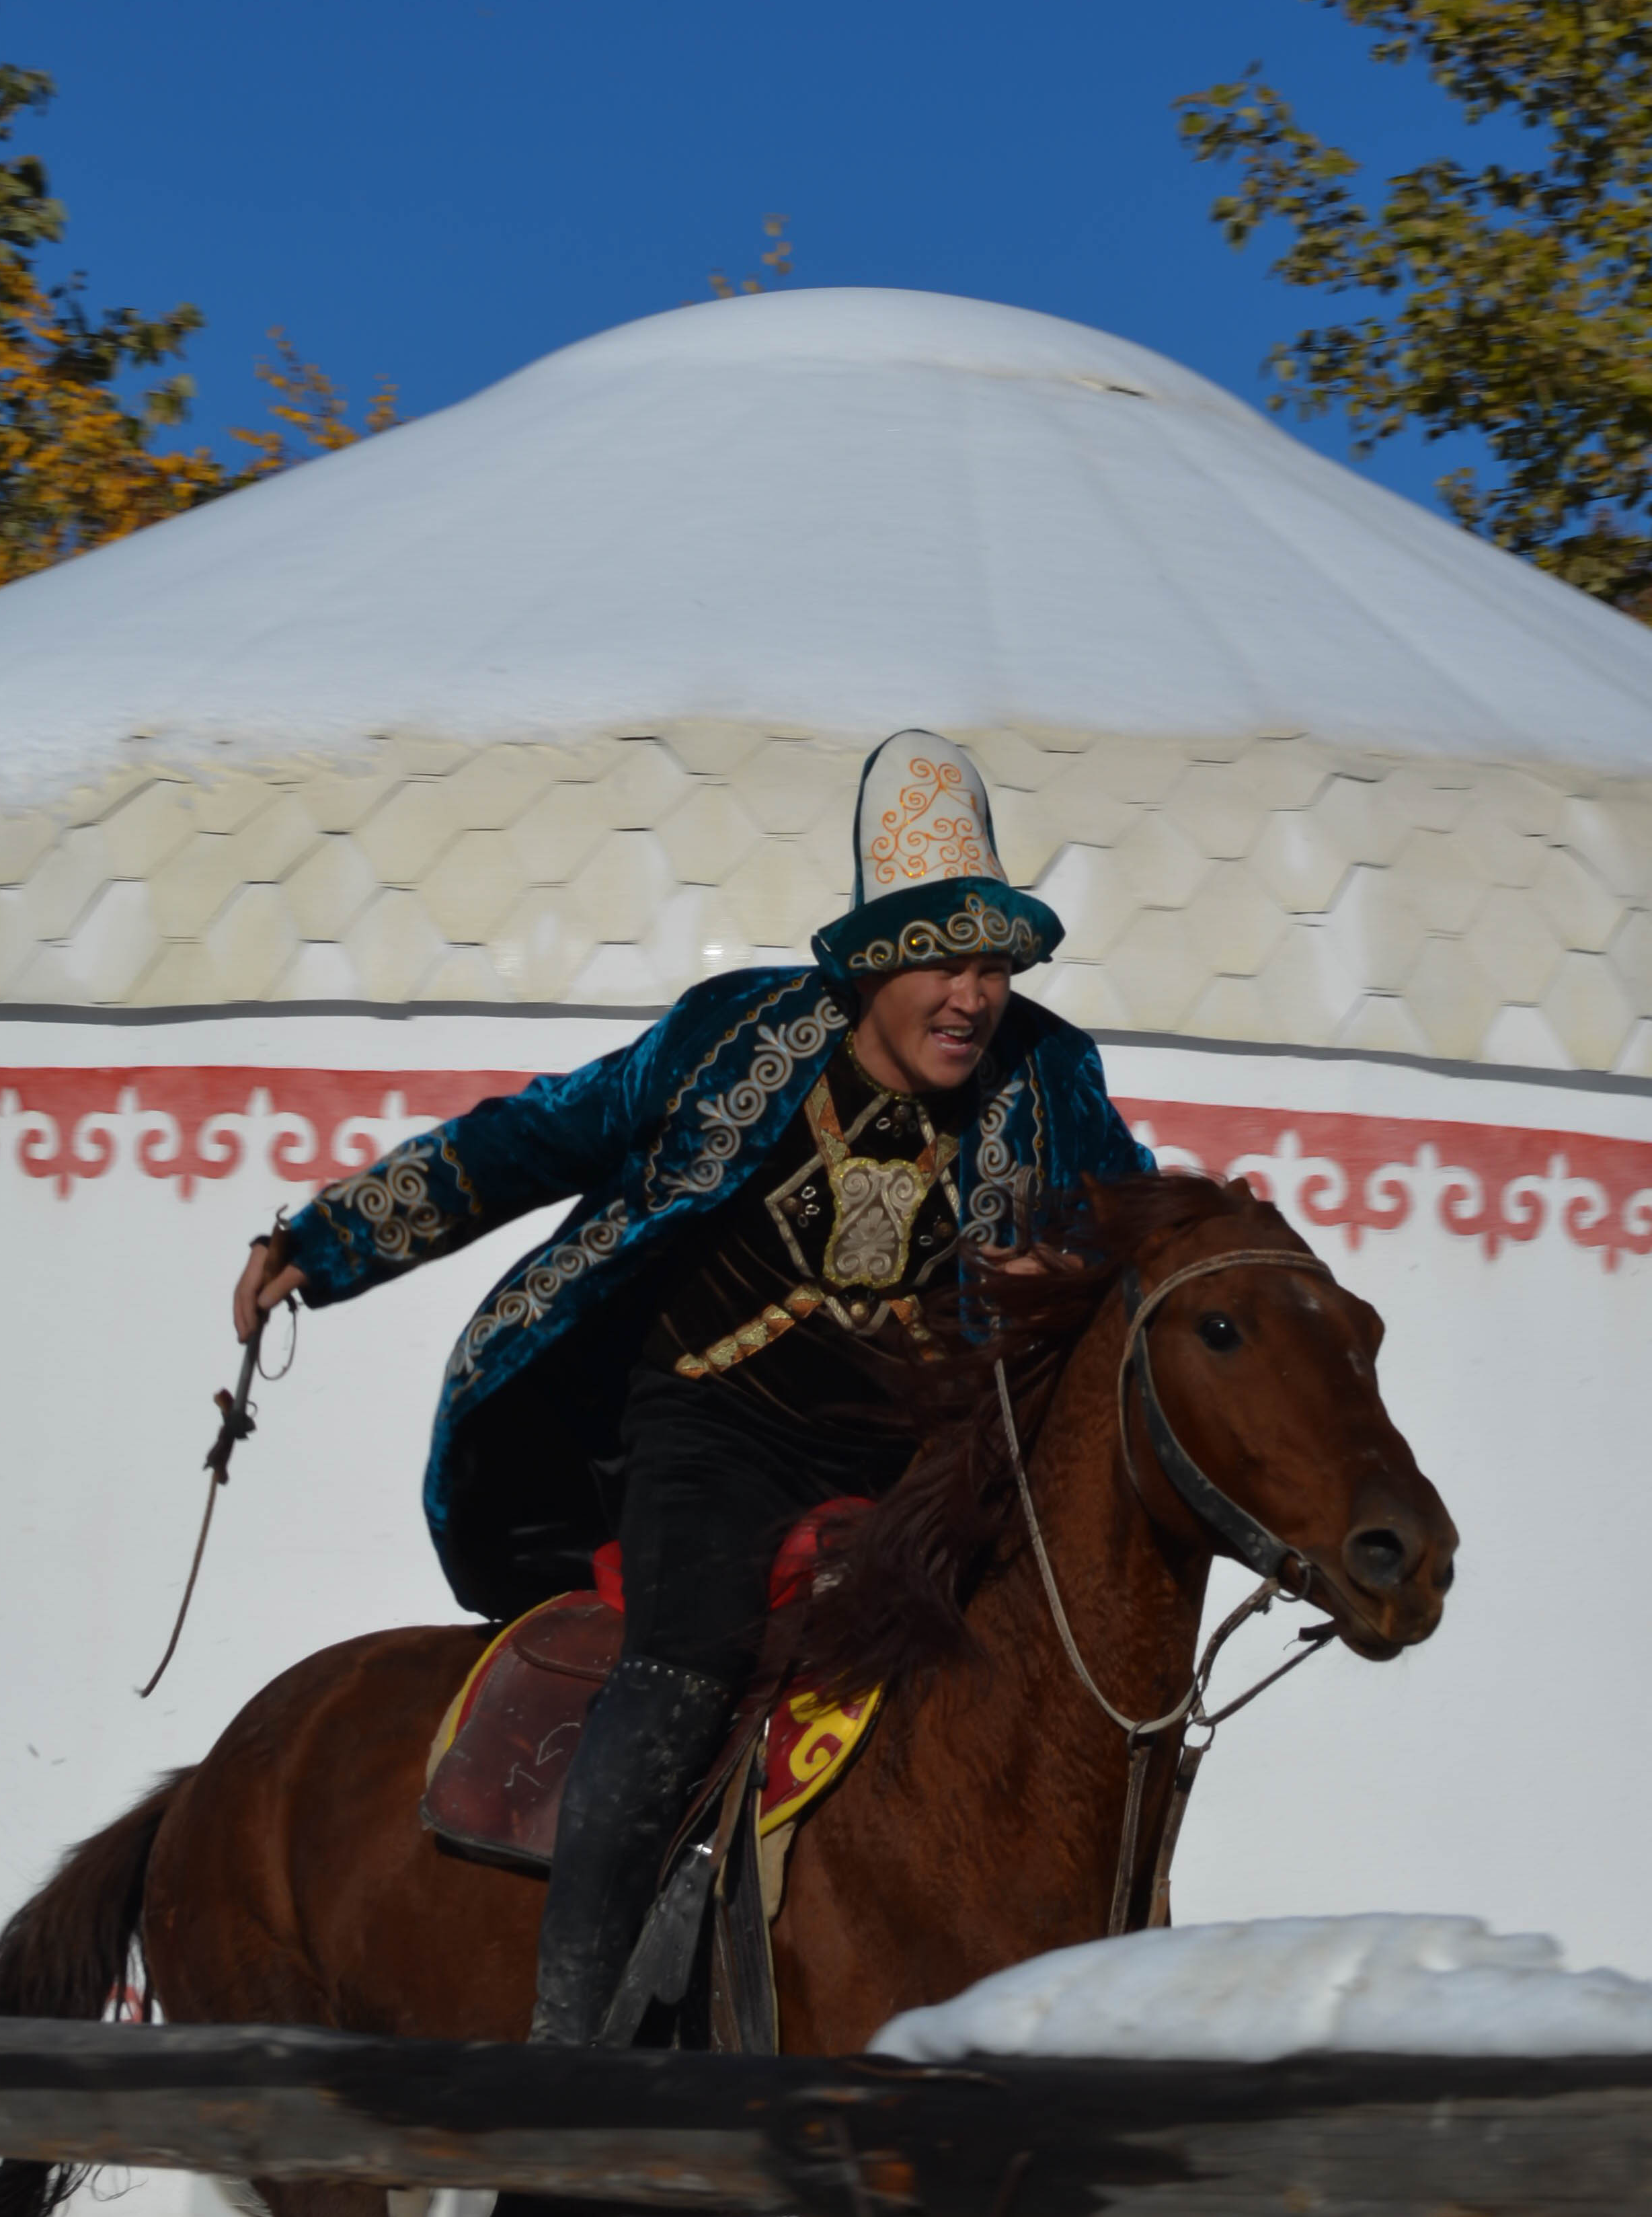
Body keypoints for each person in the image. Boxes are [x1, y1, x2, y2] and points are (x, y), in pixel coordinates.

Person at [231, 730, 1150, 2044]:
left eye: (995, 963)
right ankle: (570, 2036)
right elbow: (532, 1137)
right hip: (716, 1427)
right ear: (876, 958)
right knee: (689, 1653)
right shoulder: (737, 1039)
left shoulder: (1050, 1076)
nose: (973, 993)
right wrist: (324, 1243)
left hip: (920, 1458)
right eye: (944, 958)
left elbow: (1136, 1226)